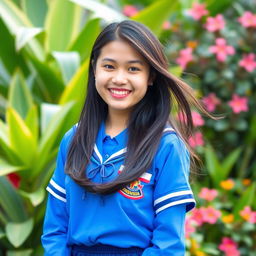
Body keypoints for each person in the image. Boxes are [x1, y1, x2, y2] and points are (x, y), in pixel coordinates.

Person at [41, 20, 209, 256]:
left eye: (133, 69)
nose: (119, 78)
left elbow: (168, 244)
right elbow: (55, 230)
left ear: (151, 76)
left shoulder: (166, 146)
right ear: (94, 69)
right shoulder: (74, 140)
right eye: (109, 66)